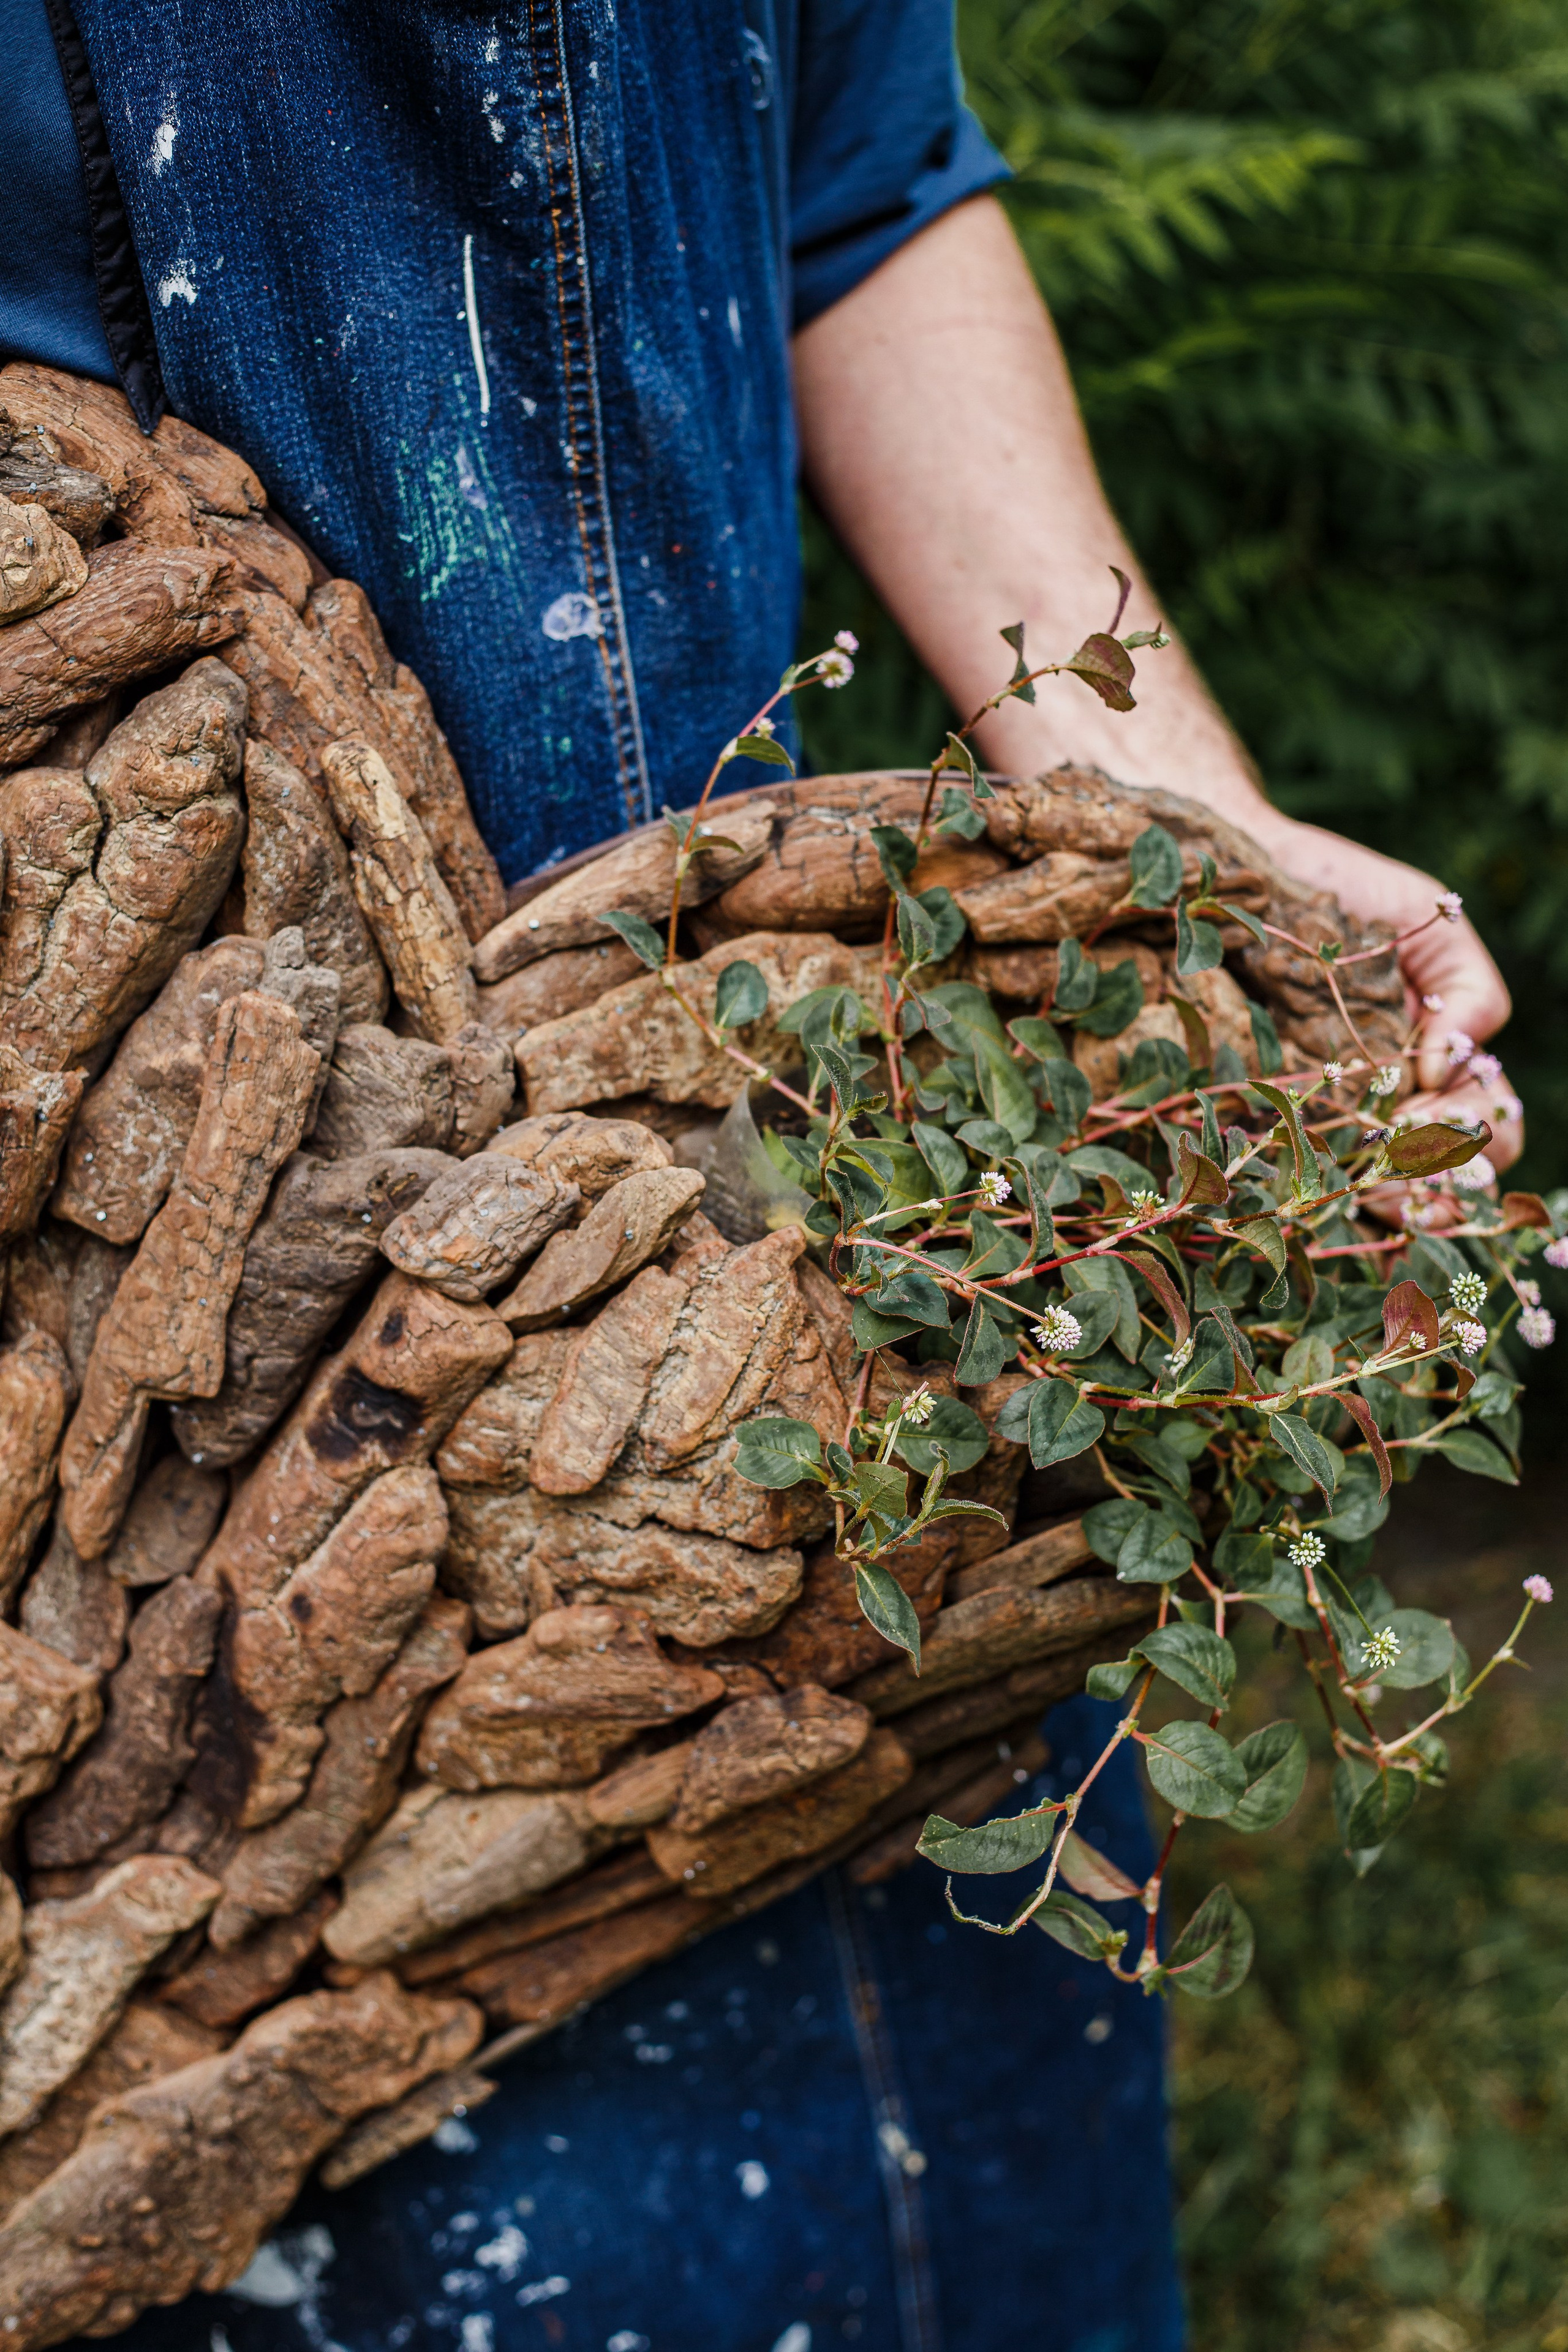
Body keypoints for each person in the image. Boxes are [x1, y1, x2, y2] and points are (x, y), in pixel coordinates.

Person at [2, 6, 1516, 2350]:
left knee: (922, 2085)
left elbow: (863, 177)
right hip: (156, 1284)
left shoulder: (942, 1237)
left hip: (821, 1194)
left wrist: (1158, 833)